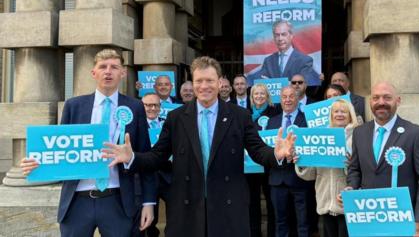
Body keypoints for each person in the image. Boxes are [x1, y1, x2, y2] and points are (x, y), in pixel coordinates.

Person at [102, 56, 296, 237]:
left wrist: (276, 154)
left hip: (228, 205)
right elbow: (157, 156)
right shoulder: (176, 117)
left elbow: (258, 151)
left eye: (210, 81)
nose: (204, 86)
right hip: (187, 206)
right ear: (193, 83)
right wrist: (133, 157)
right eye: (199, 81)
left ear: (219, 82)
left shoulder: (239, 116)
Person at [20, 49, 156, 237]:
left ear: (123, 72)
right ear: (94, 73)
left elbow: (147, 157)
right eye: (103, 67)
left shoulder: (134, 107)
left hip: (117, 200)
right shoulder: (74, 106)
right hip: (77, 202)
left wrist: (149, 203)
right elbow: (61, 148)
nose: (108, 71)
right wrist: (38, 163)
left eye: (114, 67)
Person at [339, 82, 419, 237]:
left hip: (403, 220)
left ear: (398, 100)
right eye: (376, 98)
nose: (381, 103)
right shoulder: (360, 133)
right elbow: (355, 169)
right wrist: (351, 187)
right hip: (368, 219)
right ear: (370, 101)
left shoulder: (415, 134)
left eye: (387, 97)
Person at [296, 99, 359, 237]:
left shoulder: (357, 137)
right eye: (336, 111)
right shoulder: (321, 137)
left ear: (350, 115)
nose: (339, 114)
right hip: (325, 202)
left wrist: (349, 164)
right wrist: (302, 162)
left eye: (343, 111)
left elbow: (361, 172)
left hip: (346, 203)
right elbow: (309, 175)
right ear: (331, 115)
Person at [266, 86, 311, 237]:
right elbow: (267, 151)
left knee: (303, 223)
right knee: (280, 222)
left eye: (291, 96)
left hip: (300, 179)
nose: (287, 100)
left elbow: (313, 148)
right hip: (277, 180)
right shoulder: (272, 123)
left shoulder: (308, 120)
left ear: (298, 99)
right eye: (284, 96)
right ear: (280, 99)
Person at [248, 83, 281, 237]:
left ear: (267, 96)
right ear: (252, 97)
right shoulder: (246, 114)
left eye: (262, 94)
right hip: (251, 166)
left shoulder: (275, 112)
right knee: (252, 203)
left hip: (269, 165)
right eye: (256, 94)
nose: (259, 96)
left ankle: (272, 233)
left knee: (271, 202)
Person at [247, 19, 320, 86]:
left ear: (291, 35)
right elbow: (261, 84)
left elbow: (304, 85)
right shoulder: (268, 61)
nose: (280, 38)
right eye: (277, 35)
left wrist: (273, 83)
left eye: (283, 34)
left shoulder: (305, 60)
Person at [141, 93, 171, 237]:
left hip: (168, 176)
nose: (152, 108)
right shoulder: (136, 126)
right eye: (147, 105)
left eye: (156, 105)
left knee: (175, 216)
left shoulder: (168, 123)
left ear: (160, 107)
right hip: (146, 177)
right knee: (149, 222)